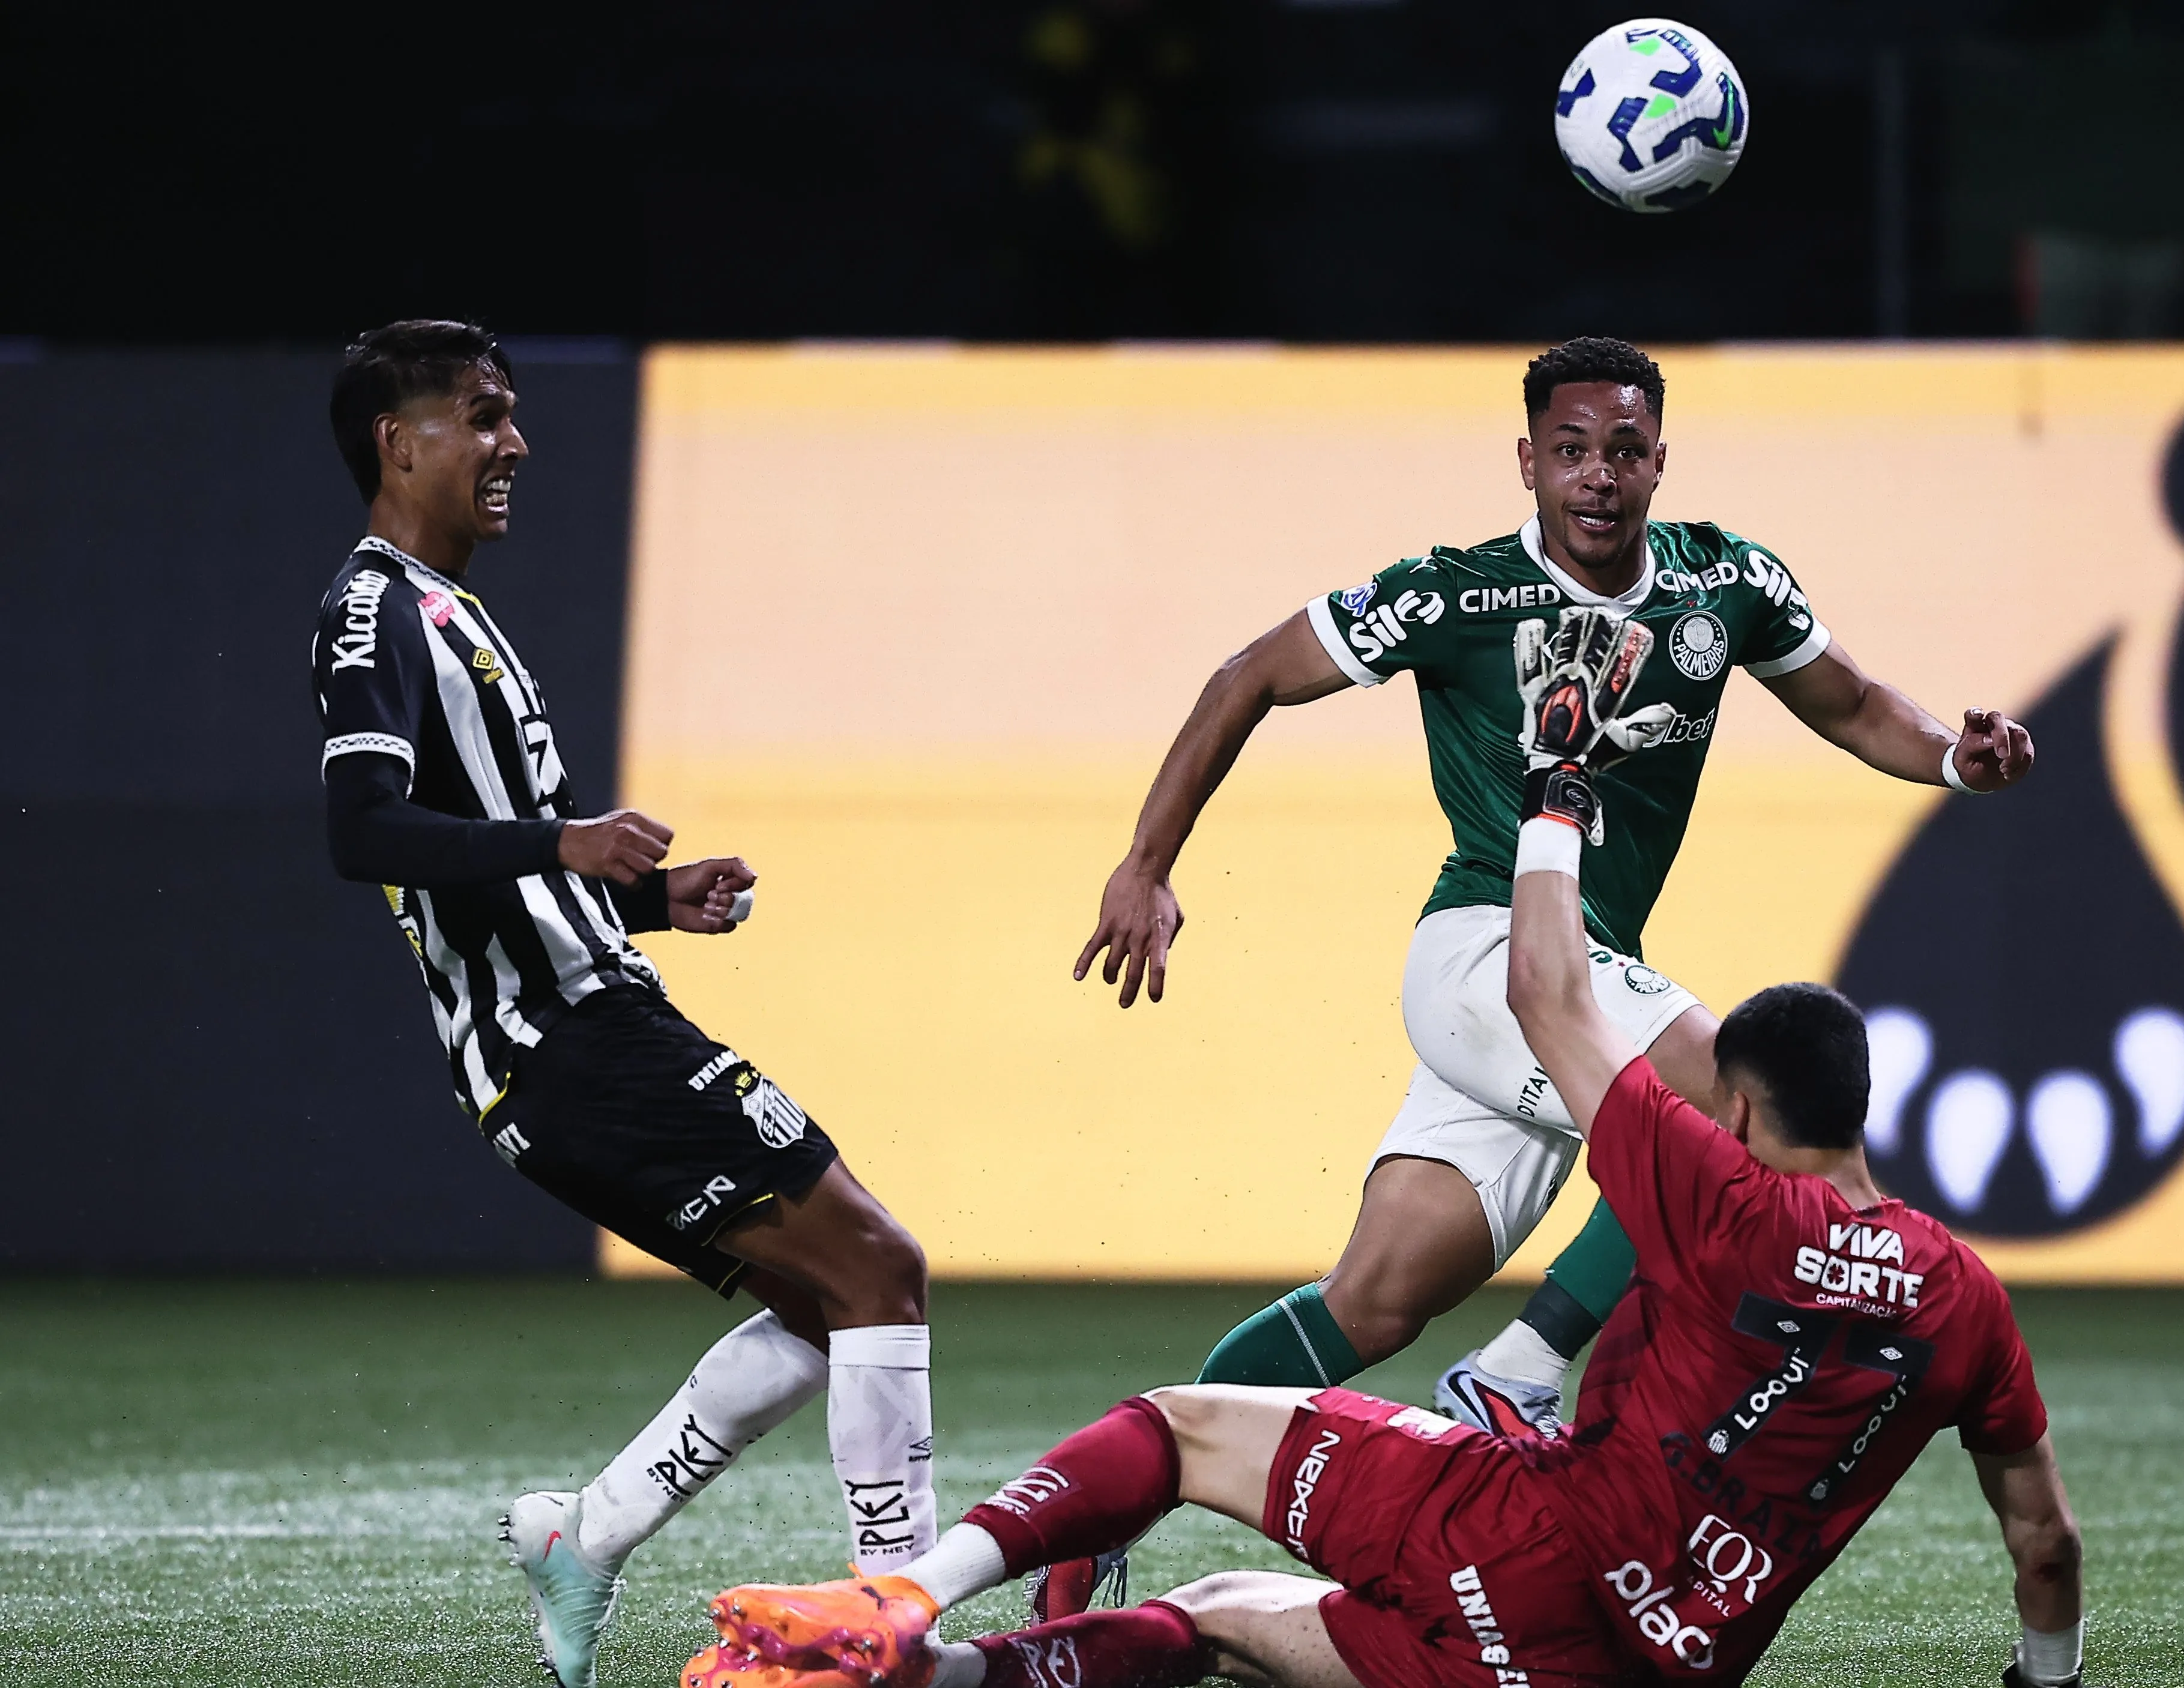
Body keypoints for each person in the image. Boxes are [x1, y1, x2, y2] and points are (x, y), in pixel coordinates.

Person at [688, 607, 2082, 1688]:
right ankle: (958, 1673)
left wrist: (1554, 791)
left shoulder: (1717, 1194)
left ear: (1741, 1110)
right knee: (1231, 1615)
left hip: (1529, 1546)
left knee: (1177, 1426)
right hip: (1641, 1662)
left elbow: (1550, 993)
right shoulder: (1965, 1302)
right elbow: (2045, 1541)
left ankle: (907, 1602)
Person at [1069, 335, 2034, 1448]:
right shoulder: (1455, 596)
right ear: (1526, 463)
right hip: (1486, 957)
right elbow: (1251, 676)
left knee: (1374, 1303)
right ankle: (1520, 1371)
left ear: (1660, 462)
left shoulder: (1726, 585)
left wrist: (1959, 760)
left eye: (1624, 449)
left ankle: (1130, 1479)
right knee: (1731, 1118)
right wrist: (1147, 862)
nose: (1599, 474)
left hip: (1577, 978)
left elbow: (1859, 704)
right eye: (1571, 449)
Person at [313, 321, 940, 1688]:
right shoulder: (374, 609)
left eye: (513, 415)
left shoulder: (455, 606)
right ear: (397, 442)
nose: (513, 443)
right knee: (879, 1268)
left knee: (838, 1297)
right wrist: (568, 843)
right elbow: (363, 830)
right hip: (573, 1042)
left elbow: (494, 870)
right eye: (482, 417)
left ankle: (585, 1534)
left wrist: (652, 898)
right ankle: (899, 1617)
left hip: (577, 1035)